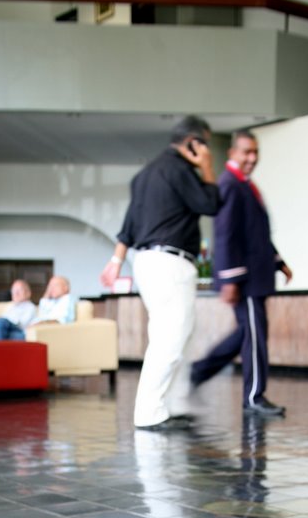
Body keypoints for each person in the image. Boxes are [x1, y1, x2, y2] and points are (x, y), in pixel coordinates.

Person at [100, 114, 220, 431]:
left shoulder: (145, 175)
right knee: (171, 338)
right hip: (170, 263)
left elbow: (128, 227)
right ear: (194, 143)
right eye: (205, 145)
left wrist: (115, 262)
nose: (208, 151)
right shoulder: (179, 170)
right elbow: (211, 204)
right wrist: (207, 167)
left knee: (177, 334)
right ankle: (149, 413)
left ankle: (171, 405)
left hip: (148, 263)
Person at [190, 129, 292, 418]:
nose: (252, 158)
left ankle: (195, 374)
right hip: (245, 281)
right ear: (232, 153)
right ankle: (253, 397)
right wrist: (232, 279)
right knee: (255, 336)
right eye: (246, 152)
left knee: (247, 335)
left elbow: (255, 235)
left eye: (255, 152)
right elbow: (226, 235)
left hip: (255, 276)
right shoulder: (230, 185)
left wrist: (278, 261)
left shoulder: (245, 185)